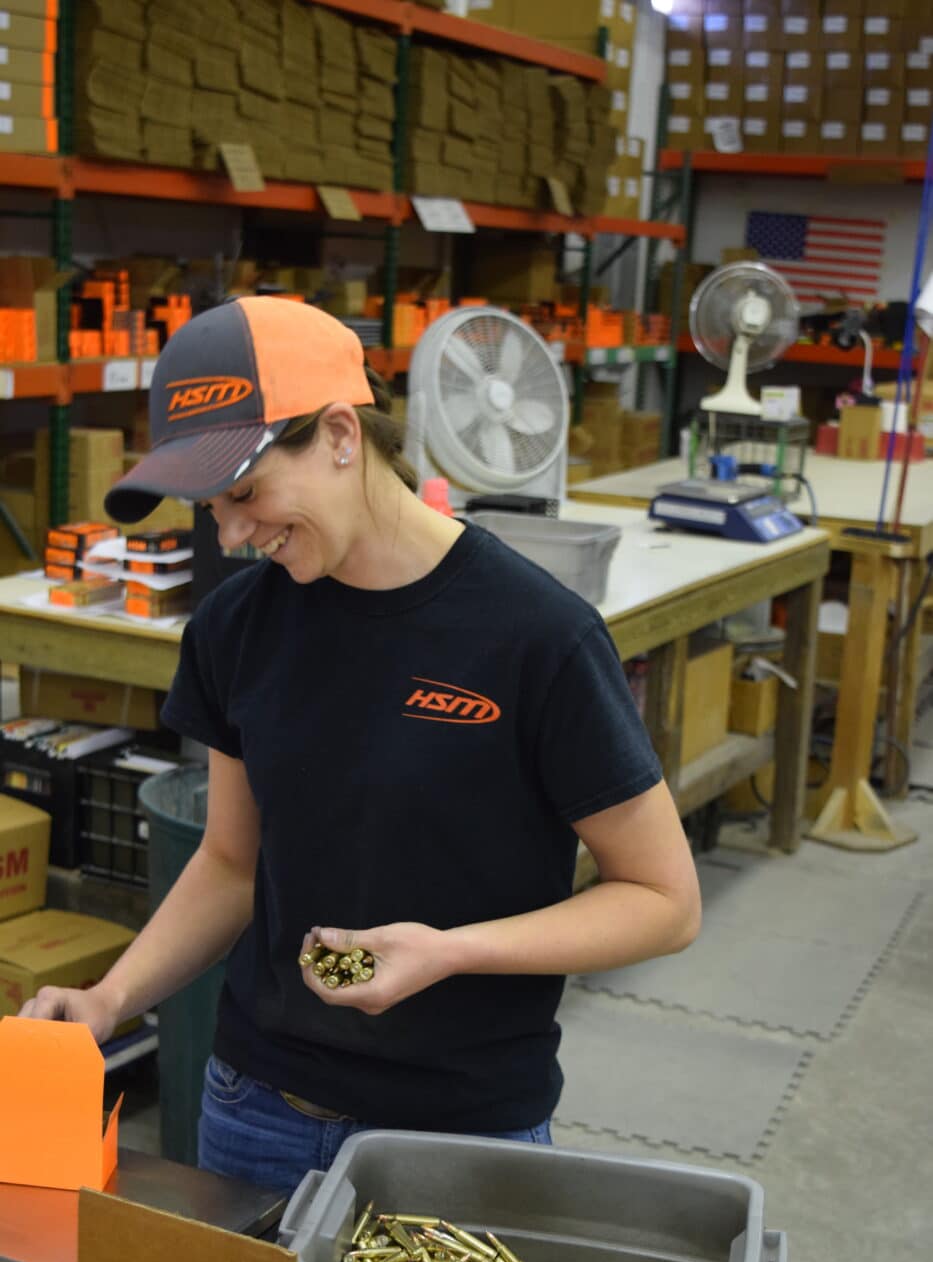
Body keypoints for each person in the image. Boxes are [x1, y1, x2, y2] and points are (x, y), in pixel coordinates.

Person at [20, 297, 701, 1195]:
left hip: (460, 1129)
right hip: (254, 1108)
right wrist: (112, 997)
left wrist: (451, 950)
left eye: (245, 494)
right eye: (211, 508)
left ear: (341, 434)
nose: (230, 535)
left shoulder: (536, 636)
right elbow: (230, 862)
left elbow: (663, 900)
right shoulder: (236, 627)